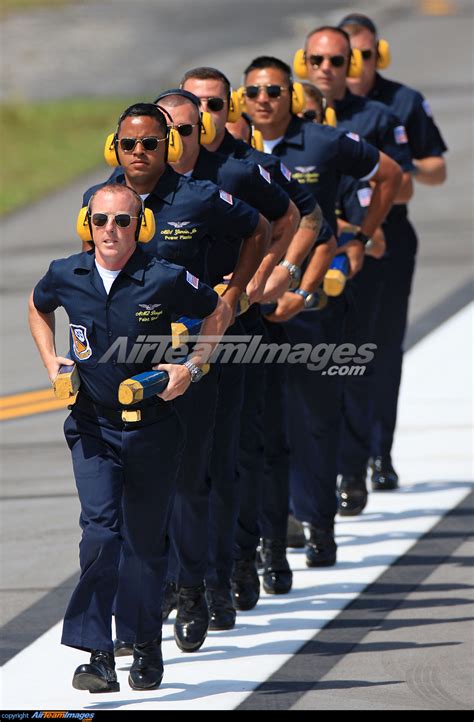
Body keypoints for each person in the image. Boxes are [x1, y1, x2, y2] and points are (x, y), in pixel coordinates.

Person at [82, 103, 270, 655]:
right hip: (121, 365)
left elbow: (257, 228)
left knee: (189, 482)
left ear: (168, 145)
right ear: (114, 146)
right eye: (129, 143)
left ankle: (192, 590)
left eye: (149, 143)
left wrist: (234, 295)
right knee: (126, 492)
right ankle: (143, 600)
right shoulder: (100, 202)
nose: (138, 153)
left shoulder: (199, 196)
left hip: (187, 365)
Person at [28, 184, 230, 692]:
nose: (110, 231)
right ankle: (97, 655)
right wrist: (52, 360)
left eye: (122, 221)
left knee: (142, 543)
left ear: (140, 226)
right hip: (93, 427)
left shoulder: (162, 276)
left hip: (154, 432)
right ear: (85, 225)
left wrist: (191, 367)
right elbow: (38, 307)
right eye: (100, 221)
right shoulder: (64, 275)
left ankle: (144, 644)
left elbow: (217, 311)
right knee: (99, 533)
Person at [242, 55, 402, 579]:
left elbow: (391, 177)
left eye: (274, 92)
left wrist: (358, 234)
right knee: (261, 427)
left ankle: (319, 521)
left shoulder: (323, 143)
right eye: (254, 93)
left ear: (291, 98)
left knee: (314, 418)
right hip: (252, 307)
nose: (264, 101)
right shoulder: (237, 155)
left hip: (315, 302)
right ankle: (275, 530)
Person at [155, 87, 299, 632]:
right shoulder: (125, 192)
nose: (174, 140)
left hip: (229, 337)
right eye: (163, 131)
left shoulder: (235, 175)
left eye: (192, 126)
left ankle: (225, 571)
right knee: (164, 471)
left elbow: (286, 219)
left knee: (221, 461)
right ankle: (174, 581)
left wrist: (251, 284)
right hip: (155, 347)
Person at [181, 67, 325, 608]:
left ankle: (245, 559)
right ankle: (185, 577)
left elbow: (304, 220)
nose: (203, 116)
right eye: (193, 106)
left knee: (243, 449)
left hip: (242, 330)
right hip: (171, 339)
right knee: (182, 462)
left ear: (228, 107)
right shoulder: (146, 177)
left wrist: (273, 278)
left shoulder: (247, 170)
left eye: (215, 105)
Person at [300, 25, 414, 514]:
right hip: (306, 259)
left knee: (365, 359)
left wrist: (362, 229)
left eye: (337, 60)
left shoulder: (380, 116)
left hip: (368, 255)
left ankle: (361, 461)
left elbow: (400, 183)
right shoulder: (285, 114)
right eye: (317, 60)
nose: (326, 69)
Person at [337, 13, 448, 493]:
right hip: (335, 239)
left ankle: (379, 452)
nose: (355, 63)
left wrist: (393, 174)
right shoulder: (316, 110)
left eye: (364, 54)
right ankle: (344, 455)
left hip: (390, 236)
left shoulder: (400, 103)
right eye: (347, 55)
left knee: (382, 350)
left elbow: (434, 169)